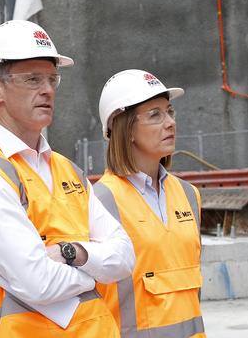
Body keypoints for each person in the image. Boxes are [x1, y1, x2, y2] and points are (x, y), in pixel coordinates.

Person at [0, 20, 135, 337]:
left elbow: (125, 257)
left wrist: (72, 253)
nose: (47, 90)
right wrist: (95, 270)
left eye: (52, 79)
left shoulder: (68, 171)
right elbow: (38, 282)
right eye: (32, 80)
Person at [94, 69, 205, 337]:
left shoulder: (189, 195)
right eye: (155, 115)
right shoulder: (100, 200)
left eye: (169, 111)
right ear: (125, 128)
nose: (170, 123)